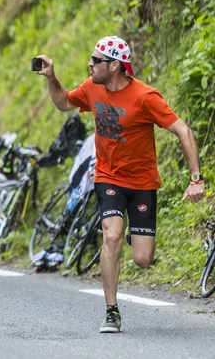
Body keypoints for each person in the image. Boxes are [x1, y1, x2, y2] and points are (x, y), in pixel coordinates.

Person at [35, 35, 205, 333]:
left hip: (142, 183)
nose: (90, 64)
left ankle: (135, 238)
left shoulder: (145, 97)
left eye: (96, 60)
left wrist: (196, 179)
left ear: (115, 66)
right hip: (108, 178)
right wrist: (51, 77)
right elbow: (63, 102)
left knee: (142, 259)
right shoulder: (92, 87)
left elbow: (184, 131)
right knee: (111, 237)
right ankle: (111, 311)